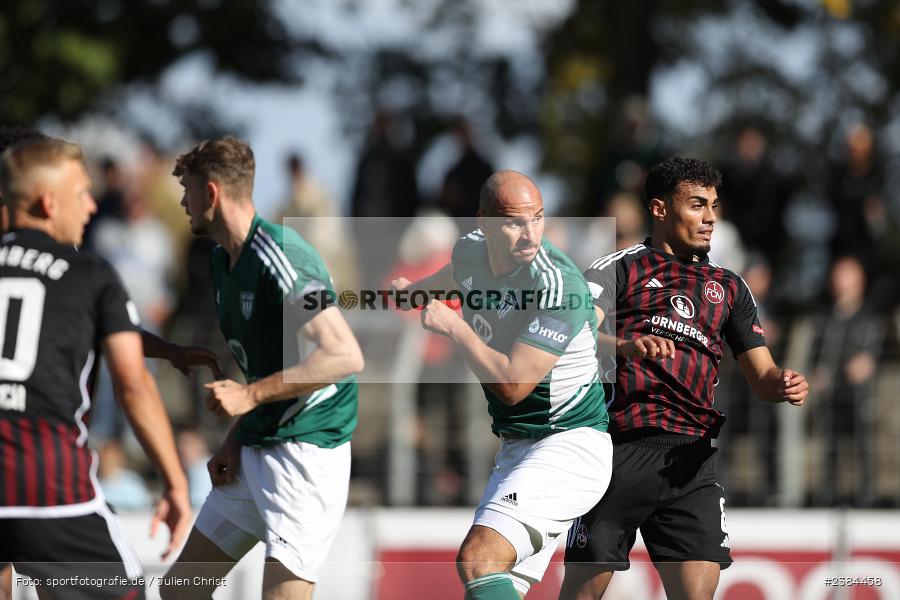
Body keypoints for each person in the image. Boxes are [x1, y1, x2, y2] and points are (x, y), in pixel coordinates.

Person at [561, 157, 809, 600]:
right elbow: (571, 335)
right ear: (659, 209)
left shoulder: (729, 287)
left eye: (714, 205)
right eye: (697, 204)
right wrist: (624, 345)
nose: (710, 217)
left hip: (691, 461)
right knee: (582, 593)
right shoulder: (619, 268)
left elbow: (763, 376)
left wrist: (783, 383)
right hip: (618, 451)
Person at [159, 137, 364, 600]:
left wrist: (248, 398)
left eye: (187, 190)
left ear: (211, 193)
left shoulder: (283, 255)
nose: (182, 201)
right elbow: (269, 363)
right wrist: (237, 434)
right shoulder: (220, 259)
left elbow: (343, 354)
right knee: (179, 593)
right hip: (256, 446)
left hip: (306, 454)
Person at [392, 170, 612, 599]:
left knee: (479, 558)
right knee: (489, 581)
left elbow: (512, 386)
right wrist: (412, 292)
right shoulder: (470, 250)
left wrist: (455, 328)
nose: (530, 234)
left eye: (538, 218)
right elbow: (457, 277)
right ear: (483, 224)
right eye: (514, 222)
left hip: (570, 445)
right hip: (519, 446)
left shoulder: (557, 285)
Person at [0, 137, 191, 599]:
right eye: (81, 193)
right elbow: (133, 384)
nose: (90, 206)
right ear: (48, 202)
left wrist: (164, 349)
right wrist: (175, 484)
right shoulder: (89, 274)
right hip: (47, 491)